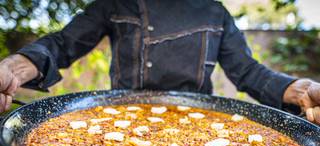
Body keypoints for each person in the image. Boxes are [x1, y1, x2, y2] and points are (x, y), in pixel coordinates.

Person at [0, 0, 320, 125]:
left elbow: (249, 72)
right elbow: (62, 44)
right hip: (120, 123)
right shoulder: (115, 3)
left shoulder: (214, 12)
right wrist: (11, 70)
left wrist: (301, 89)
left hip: (199, 126)